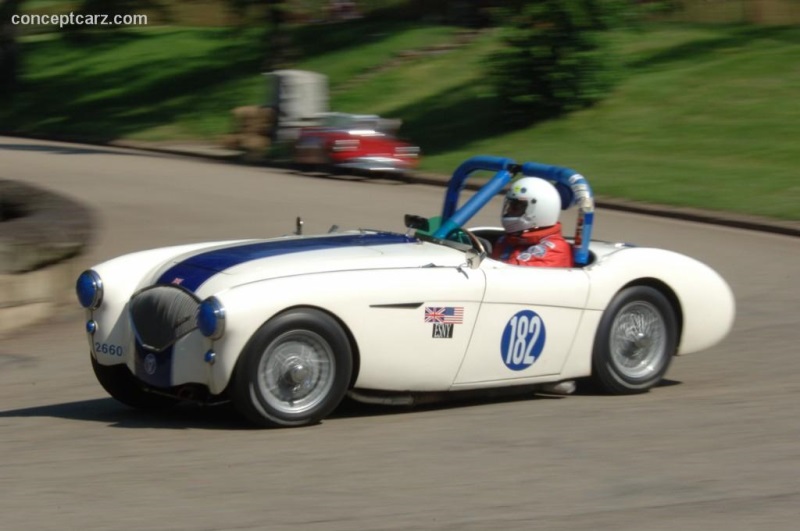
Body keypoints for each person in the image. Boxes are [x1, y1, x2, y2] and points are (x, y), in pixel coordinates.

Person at [491, 177, 574, 268]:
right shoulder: (509, 240)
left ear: (539, 210)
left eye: (516, 207)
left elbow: (509, 276)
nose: (509, 211)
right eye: (510, 206)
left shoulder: (553, 250)